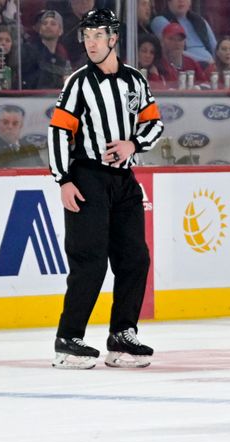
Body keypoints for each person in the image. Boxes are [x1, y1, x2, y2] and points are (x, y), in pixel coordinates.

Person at [47, 9, 164, 369]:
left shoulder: (135, 80)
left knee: (135, 258)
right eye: (86, 36)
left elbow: (154, 124)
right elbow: (58, 132)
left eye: (98, 35)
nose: (91, 42)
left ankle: (122, 336)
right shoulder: (79, 82)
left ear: (114, 38)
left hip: (124, 181)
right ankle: (69, 340)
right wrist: (63, 179)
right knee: (90, 261)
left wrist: (133, 144)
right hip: (87, 179)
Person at [151, 0, 218, 67]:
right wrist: (206, 61)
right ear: (168, 1)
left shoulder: (200, 21)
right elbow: (175, 51)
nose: (181, 1)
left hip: (211, 67)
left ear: (190, 2)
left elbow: (215, 48)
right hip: (186, 67)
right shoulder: (159, 21)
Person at [21, 10, 73, 90]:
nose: (48, 26)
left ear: (60, 31)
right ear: (40, 29)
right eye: (44, 23)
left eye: (53, 24)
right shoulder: (28, 52)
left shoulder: (61, 60)